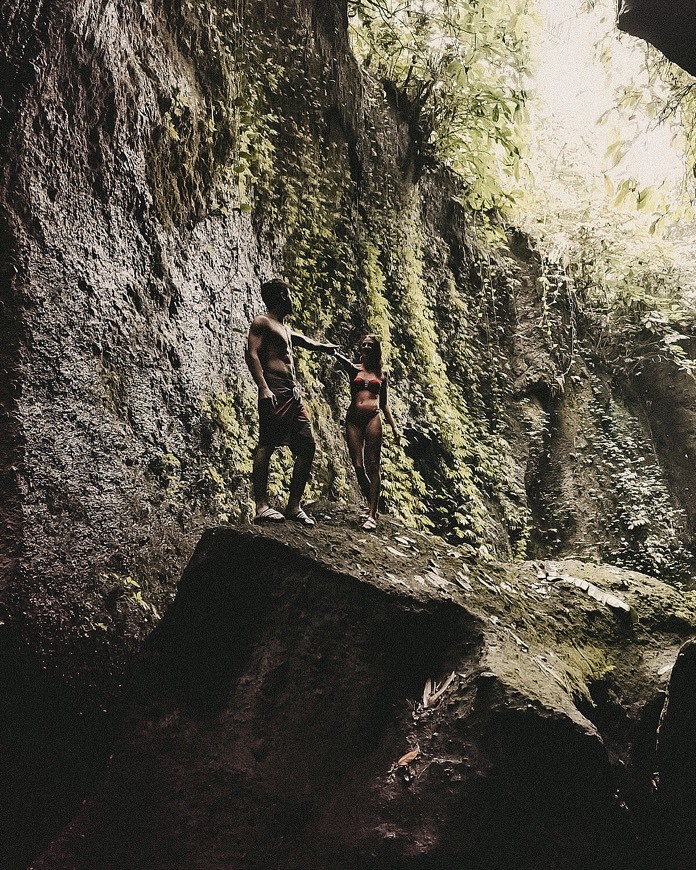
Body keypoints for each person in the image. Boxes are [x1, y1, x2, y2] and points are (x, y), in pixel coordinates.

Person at [245, 278, 337, 527]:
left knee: (307, 446)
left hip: (292, 395)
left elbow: (305, 341)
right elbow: (251, 354)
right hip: (273, 391)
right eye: (289, 294)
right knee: (267, 444)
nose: (292, 299)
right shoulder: (262, 322)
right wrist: (263, 387)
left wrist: (325, 347)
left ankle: (294, 506)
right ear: (281, 297)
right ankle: (262, 505)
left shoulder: (284, 328)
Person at [335, 335, 399, 531]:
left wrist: (394, 427)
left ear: (376, 349)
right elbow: (335, 362)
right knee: (357, 465)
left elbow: (385, 403)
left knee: (373, 464)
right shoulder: (353, 368)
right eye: (363, 344)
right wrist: (331, 353)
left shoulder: (382, 373)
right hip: (353, 419)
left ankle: (371, 514)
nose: (366, 347)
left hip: (373, 417)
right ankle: (371, 500)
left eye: (370, 345)